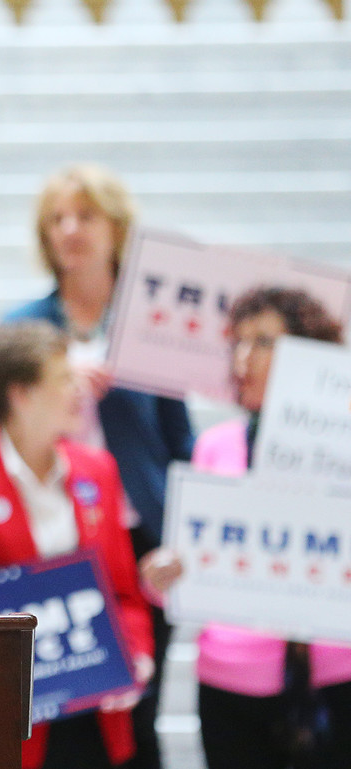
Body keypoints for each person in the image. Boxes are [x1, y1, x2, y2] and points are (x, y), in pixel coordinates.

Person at [6, 164, 193, 769]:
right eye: (57, 219)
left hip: (138, 540)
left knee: (138, 706)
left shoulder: (152, 322)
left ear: (116, 229)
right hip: (54, 536)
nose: (69, 230)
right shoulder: (25, 329)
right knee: (61, 714)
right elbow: (3, 435)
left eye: (84, 216)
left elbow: (179, 442)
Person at [0, 321, 154, 769]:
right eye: (63, 379)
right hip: (5, 721)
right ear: (21, 394)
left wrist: (137, 653)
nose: (79, 390)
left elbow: (125, 593)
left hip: (96, 710)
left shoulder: (97, 468)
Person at [140, 286, 350, 769]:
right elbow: (188, 565)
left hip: (336, 675)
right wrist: (160, 578)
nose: (243, 358)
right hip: (231, 681)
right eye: (237, 342)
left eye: (263, 342)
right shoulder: (217, 445)